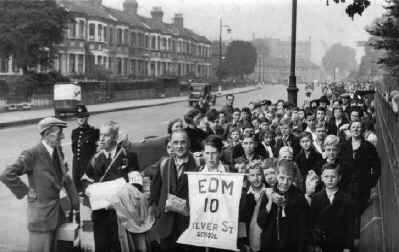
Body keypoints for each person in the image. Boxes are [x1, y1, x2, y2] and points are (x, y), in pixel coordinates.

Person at [0, 117, 79, 252]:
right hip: (41, 218)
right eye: (60, 133)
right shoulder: (32, 154)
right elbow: (6, 174)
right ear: (48, 134)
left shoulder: (57, 151)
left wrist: (75, 203)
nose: (63, 136)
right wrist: (26, 191)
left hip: (57, 214)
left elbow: (65, 178)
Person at [82, 121, 140, 252]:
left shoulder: (128, 157)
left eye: (106, 135)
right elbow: (85, 179)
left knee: (120, 247)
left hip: (121, 215)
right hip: (100, 214)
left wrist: (119, 200)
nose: (101, 139)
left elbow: (137, 185)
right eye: (100, 135)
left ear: (114, 138)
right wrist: (88, 189)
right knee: (101, 247)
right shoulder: (95, 158)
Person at [150, 130, 198, 252]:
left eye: (183, 142)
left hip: (188, 226)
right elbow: (154, 191)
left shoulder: (197, 165)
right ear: (170, 145)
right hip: (166, 226)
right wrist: (157, 214)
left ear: (189, 143)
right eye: (175, 143)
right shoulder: (164, 163)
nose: (179, 146)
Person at [257, 159, 309, 252]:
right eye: (282, 177)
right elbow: (260, 222)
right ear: (276, 175)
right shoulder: (268, 193)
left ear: (293, 179)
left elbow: (303, 229)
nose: (285, 182)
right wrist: (270, 201)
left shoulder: (299, 197)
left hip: (290, 246)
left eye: (289, 179)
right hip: (269, 245)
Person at [310, 163, 355, 252]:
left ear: (339, 178)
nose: (329, 180)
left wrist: (348, 246)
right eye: (326, 177)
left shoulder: (346, 199)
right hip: (322, 243)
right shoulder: (316, 198)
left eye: (333, 177)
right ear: (322, 178)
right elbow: (312, 223)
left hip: (340, 243)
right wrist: (315, 244)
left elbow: (350, 224)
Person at [71, 104, 100, 193]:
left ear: (87, 117)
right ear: (76, 118)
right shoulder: (74, 132)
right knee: (78, 192)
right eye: (78, 117)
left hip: (88, 167)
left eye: (83, 116)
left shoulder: (94, 132)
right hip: (77, 167)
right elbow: (74, 151)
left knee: (90, 192)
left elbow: (99, 150)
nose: (81, 119)